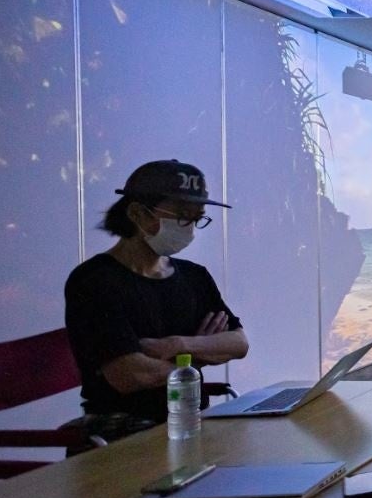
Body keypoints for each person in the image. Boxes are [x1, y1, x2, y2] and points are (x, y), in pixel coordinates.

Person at [64, 160, 249, 442]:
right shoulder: (94, 281)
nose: (190, 228)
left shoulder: (194, 276)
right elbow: (129, 375)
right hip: (120, 432)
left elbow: (238, 343)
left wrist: (179, 345)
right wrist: (200, 357)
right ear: (137, 213)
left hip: (190, 420)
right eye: (182, 216)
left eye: (197, 218)